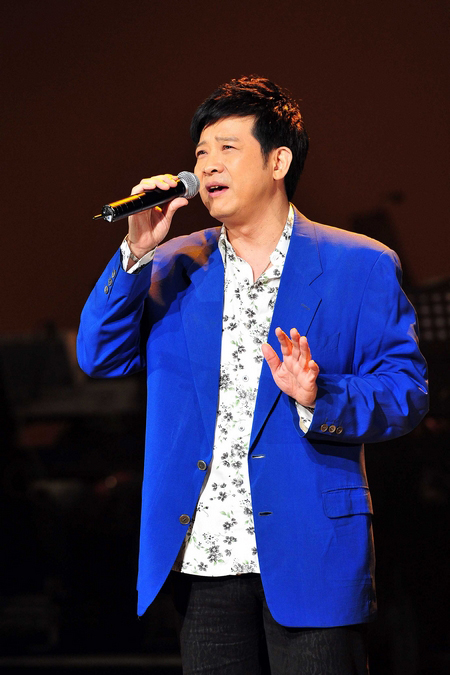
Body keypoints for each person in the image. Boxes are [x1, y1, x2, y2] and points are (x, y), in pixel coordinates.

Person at [77, 76, 428, 674]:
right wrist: (135, 253)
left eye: (227, 148)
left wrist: (321, 394)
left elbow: (407, 391)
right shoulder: (173, 264)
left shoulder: (360, 264)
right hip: (204, 555)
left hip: (312, 547)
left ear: (278, 161)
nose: (206, 165)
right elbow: (100, 357)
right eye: (200, 152)